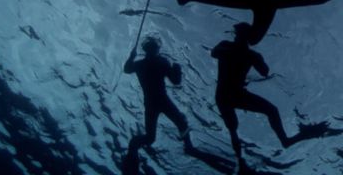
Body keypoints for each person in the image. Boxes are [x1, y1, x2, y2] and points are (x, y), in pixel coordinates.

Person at [211, 22, 328, 170]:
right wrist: (250, 58)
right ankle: (241, 161)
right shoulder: (235, 49)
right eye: (239, 34)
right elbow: (215, 53)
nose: (238, 37)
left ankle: (278, 144)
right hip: (226, 94)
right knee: (235, 127)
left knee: (267, 112)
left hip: (229, 94)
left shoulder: (246, 53)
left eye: (240, 34)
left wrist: (254, 59)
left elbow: (264, 71)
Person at [123, 36, 192, 158]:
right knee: (181, 123)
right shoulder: (162, 62)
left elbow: (127, 69)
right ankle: (189, 146)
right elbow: (176, 81)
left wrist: (131, 56)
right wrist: (177, 68)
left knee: (150, 137)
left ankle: (133, 144)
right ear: (156, 49)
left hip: (150, 103)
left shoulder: (140, 64)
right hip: (163, 101)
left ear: (145, 50)